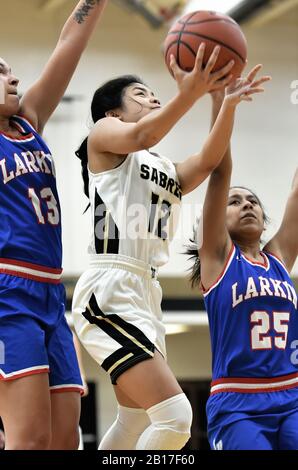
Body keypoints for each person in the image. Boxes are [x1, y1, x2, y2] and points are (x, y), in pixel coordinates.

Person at [72, 44, 268, 450]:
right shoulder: (103, 136)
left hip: (146, 290)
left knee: (132, 419)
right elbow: (146, 132)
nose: (152, 97)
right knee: (177, 417)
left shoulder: (163, 166)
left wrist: (223, 101)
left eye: (152, 93)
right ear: (113, 114)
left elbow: (210, 160)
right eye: (140, 94)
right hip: (109, 284)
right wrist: (191, 91)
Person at [0, 0, 108, 450]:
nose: (14, 77)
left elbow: (69, 43)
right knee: (30, 438)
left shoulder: (28, 122)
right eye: (0, 71)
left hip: (50, 291)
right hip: (8, 293)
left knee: (65, 437)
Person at [187, 69, 298, 450]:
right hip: (238, 401)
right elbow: (219, 172)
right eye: (235, 202)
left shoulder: (280, 257)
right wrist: (223, 102)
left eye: (252, 200)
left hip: (292, 394)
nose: (246, 204)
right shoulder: (218, 259)